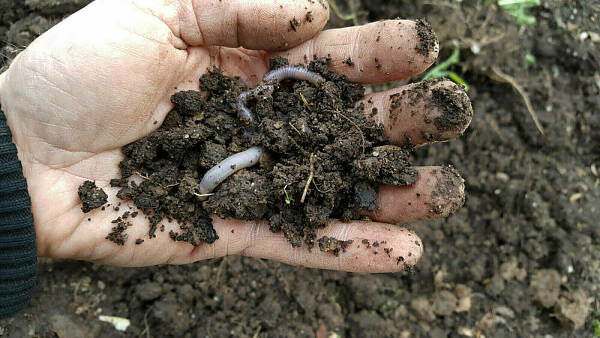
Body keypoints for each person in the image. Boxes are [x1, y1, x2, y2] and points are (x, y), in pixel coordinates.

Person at [0, 0, 472, 318]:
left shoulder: (273, 132)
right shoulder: (244, 128)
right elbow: (235, 159)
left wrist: (19, 142)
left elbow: (253, 146)